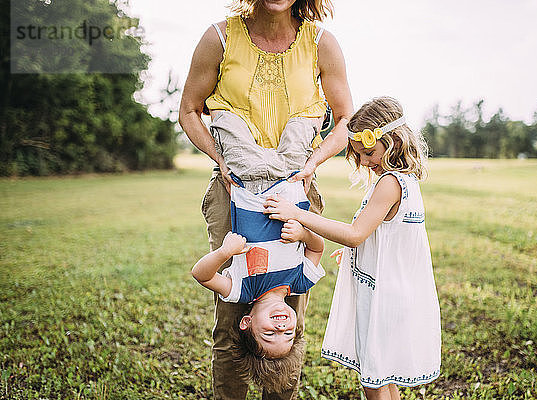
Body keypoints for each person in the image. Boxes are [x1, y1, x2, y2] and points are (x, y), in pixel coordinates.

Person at [178, 0, 353, 398]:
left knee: (296, 317)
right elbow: (189, 109)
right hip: (235, 186)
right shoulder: (219, 37)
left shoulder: (322, 43)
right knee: (230, 321)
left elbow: (344, 118)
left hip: (297, 187)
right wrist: (220, 159)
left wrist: (313, 163)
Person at [264, 97, 442, 400]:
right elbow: (384, 234)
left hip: (382, 296)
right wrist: (353, 253)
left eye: (369, 152)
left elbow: (356, 234)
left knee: (372, 378)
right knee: (384, 373)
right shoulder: (406, 181)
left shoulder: (389, 183)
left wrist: (296, 213)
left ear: (394, 140)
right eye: (359, 155)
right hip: (395, 289)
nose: (364, 161)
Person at [190, 211, 325, 391]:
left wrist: (225, 251)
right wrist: (304, 234)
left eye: (269, 335)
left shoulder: (242, 290)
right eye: (288, 334)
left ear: (246, 322)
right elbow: (317, 249)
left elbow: (201, 275)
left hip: (245, 199)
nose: (281, 328)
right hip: (286, 198)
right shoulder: (301, 282)